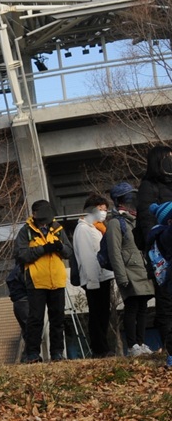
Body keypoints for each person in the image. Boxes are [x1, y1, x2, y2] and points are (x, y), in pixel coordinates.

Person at [14, 200, 72, 363]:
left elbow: (69, 251)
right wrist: (43, 249)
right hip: (36, 280)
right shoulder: (25, 231)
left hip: (57, 279)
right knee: (35, 318)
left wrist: (59, 247)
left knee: (58, 318)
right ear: (35, 215)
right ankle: (32, 354)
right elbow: (21, 255)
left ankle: (57, 352)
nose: (46, 222)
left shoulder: (58, 229)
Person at [107, 182, 154, 356]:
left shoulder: (135, 220)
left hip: (142, 269)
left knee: (143, 307)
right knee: (132, 307)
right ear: (119, 201)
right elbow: (114, 252)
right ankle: (132, 345)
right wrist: (121, 277)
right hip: (128, 272)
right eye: (128, 196)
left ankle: (141, 343)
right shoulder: (115, 223)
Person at [136, 145, 172, 354]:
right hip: (163, 253)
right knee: (166, 301)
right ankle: (169, 347)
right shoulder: (148, 186)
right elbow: (147, 224)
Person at [72, 193, 116, 357]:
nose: (103, 212)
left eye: (105, 209)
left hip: (103, 276)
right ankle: (99, 349)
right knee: (97, 314)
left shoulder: (96, 228)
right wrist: (92, 280)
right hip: (94, 278)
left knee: (103, 313)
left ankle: (103, 346)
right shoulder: (83, 229)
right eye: (100, 209)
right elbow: (87, 257)